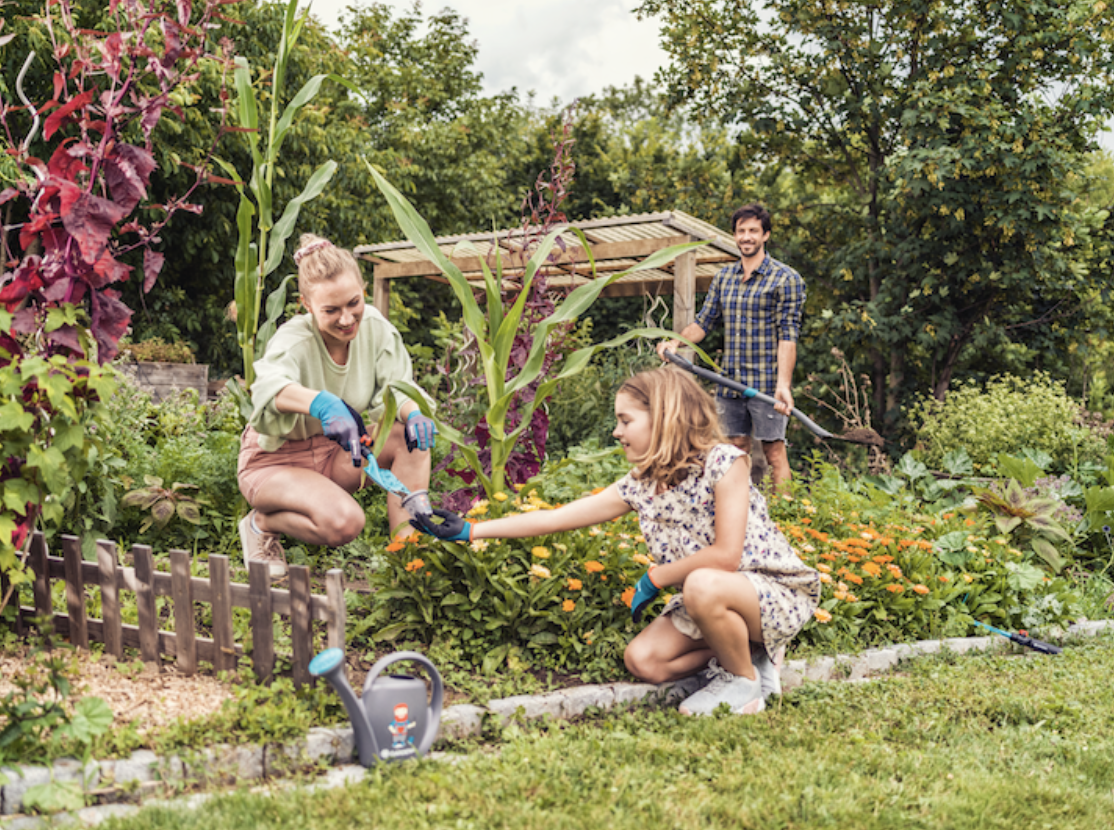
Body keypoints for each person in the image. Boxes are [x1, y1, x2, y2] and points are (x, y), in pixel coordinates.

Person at [411, 367, 820, 716]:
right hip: (712, 597)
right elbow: (557, 518)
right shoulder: (641, 485)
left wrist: (656, 577)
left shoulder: (724, 462)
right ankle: (751, 653)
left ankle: (744, 682)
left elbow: (726, 557)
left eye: (626, 421)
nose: (616, 431)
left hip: (768, 590)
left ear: (662, 418)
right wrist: (470, 530)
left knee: (700, 582)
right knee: (643, 661)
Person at [237, 233, 437, 577]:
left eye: (354, 303)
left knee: (409, 437)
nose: (347, 319)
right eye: (331, 310)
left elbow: (397, 387)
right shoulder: (295, 338)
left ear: (363, 291)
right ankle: (261, 522)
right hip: (275, 461)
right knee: (345, 524)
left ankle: (409, 558)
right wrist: (321, 403)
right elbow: (266, 390)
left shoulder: (375, 328)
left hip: (335, 454)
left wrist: (414, 411)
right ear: (307, 305)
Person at [657, 204, 805, 491]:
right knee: (733, 449)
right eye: (741, 231)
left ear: (765, 236)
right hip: (729, 381)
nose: (746, 237)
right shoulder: (724, 278)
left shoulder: (786, 279)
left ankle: (788, 514)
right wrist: (676, 342)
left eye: (753, 231)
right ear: (735, 235)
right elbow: (704, 322)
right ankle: (739, 510)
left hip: (766, 383)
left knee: (774, 451)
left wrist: (783, 385)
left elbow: (789, 333)